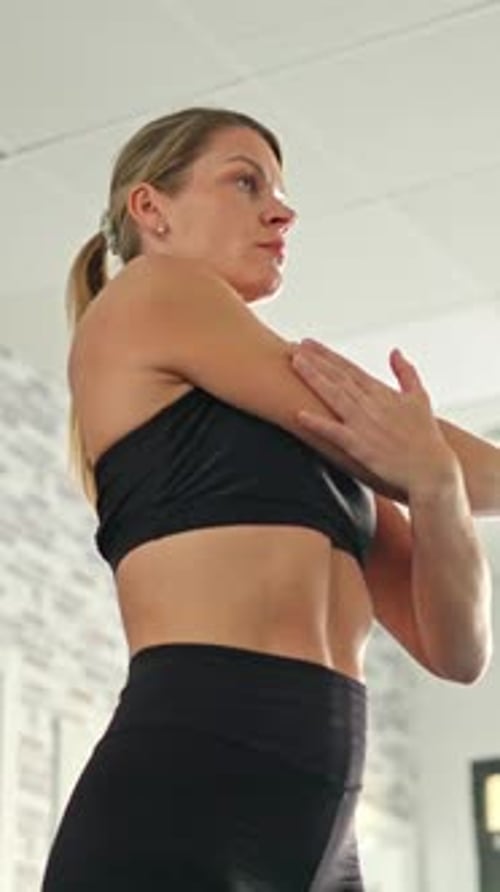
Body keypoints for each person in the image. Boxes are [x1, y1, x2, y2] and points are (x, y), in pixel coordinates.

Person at [41, 106, 498, 891]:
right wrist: (419, 462)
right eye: (245, 182)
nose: (281, 210)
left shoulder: (321, 446)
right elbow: (402, 443)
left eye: (279, 192)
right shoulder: (152, 292)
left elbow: (455, 650)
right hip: (189, 789)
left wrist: (434, 484)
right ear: (151, 209)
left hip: (324, 828)